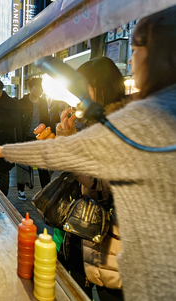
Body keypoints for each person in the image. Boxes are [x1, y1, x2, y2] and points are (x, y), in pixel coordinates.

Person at [0, 7, 176, 301]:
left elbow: (86, 173)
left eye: (137, 47)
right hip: (98, 246)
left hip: (124, 260)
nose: (131, 58)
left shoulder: (137, 121)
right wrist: (66, 139)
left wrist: (2, 150)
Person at [56, 57, 128, 301]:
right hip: (86, 230)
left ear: (101, 87)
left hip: (116, 242)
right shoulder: (92, 123)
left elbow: (101, 180)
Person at [16, 78, 53, 201]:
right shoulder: (22, 102)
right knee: (23, 164)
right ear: (31, 88)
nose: (40, 90)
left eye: (41, 88)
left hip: (40, 138)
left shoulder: (43, 102)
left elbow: (46, 119)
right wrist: (19, 139)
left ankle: (46, 190)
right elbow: (19, 123)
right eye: (37, 87)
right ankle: (20, 190)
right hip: (25, 137)